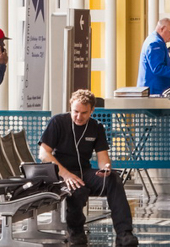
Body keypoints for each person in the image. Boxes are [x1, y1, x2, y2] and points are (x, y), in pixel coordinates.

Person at [39, 90, 137, 247]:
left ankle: (124, 233)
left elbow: (102, 156)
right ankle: (76, 231)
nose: (79, 117)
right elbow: (43, 153)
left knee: (113, 180)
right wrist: (66, 174)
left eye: (84, 113)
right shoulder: (58, 122)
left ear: (92, 110)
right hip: (60, 174)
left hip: (84, 172)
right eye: (75, 112)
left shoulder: (96, 127)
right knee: (78, 188)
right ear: (70, 107)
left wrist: (105, 168)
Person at [138, 18, 170, 95]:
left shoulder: (158, 42)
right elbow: (158, 68)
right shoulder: (154, 43)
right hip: (154, 92)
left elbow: (166, 65)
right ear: (162, 29)